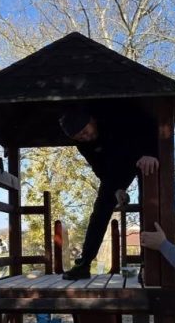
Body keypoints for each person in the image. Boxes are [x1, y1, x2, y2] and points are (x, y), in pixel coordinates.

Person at [58, 106, 159, 280]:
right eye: (79, 137)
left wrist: (150, 153)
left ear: (92, 120)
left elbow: (148, 125)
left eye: (85, 131)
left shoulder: (116, 117)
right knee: (100, 211)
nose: (85, 137)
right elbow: (100, 169)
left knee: (149, 205)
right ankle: (84, 264)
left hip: (141, 156)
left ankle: (148, 266)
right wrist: (116, 190)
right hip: (115, 170)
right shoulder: (83, 145)